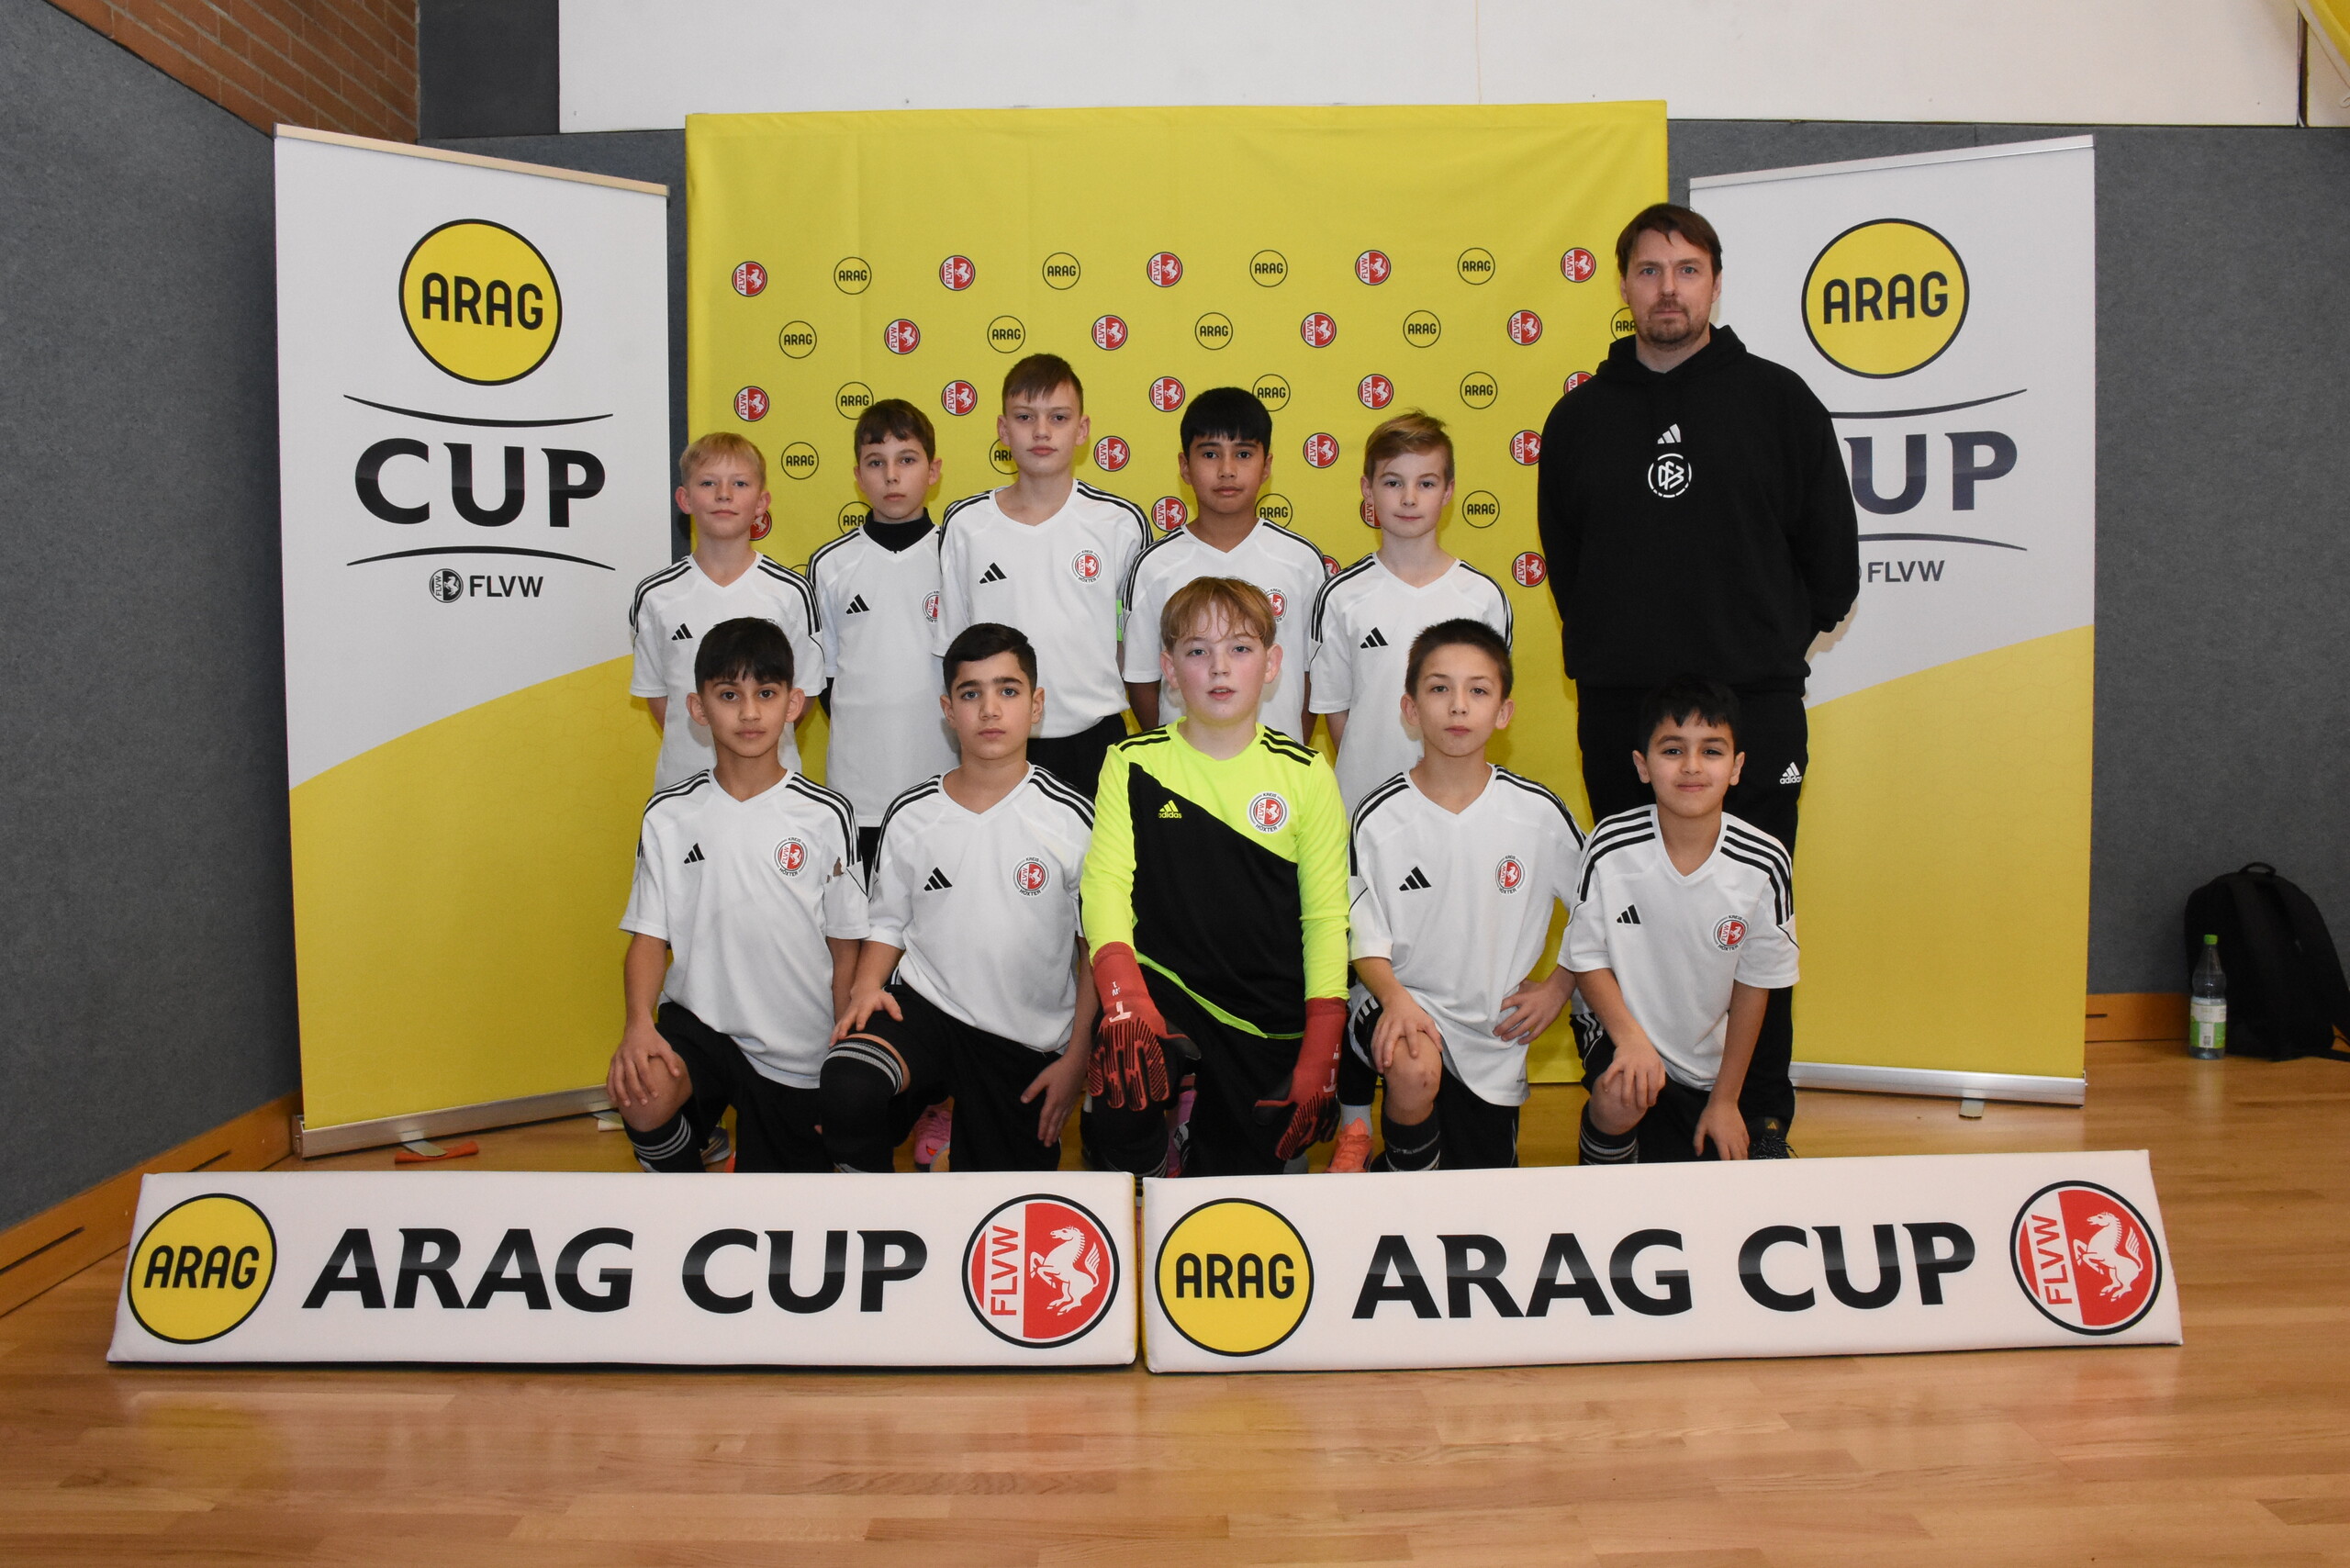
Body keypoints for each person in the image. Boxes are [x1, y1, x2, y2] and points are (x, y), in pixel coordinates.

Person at [1535, 202, 1857, 1154]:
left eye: (1686, 270)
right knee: (1628, 919)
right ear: (1623, 285)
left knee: (1753, 922)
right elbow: (1570, 568)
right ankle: (1628, 1108)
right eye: (1648, 270)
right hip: (1620, 715)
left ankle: (1755, 1116)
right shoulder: (1579, 419)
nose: (1667, 288)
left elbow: (1832, 569)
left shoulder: (1780, 401)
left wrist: (1754, 647)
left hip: (1752, 709)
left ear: (1715, 282)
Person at [1080, 577, 1348, 1178]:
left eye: (1240, 649)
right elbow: (1104, 887)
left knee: (1232, 1197)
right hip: (1164, 990)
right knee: (1122, 1074)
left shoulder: (1307, 773)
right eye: (1198, 650)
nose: (1219, 667)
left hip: (1263, 1010)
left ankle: (1198, 1125)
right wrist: (1124, 1001)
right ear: (1169, 670)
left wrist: (1321, 1047)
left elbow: (1326, 918)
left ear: (1272, 666)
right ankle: (1153, 1162)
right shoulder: (1132, 762)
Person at [819, 623, 1096, 1173]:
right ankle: (874, 1211)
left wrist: (1076, 1059)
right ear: (948, 709)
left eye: (1008, 690)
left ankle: (953, 1148)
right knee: (849, 1087)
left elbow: (1093, 948)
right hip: (927, 1012)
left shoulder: (1072, 818)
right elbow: (889, 922)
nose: (989, 709)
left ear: (1036, 705)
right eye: (971, 694)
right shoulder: (912, 814)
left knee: (996, 1201)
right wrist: (866, 987)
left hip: (1024, 1039)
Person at [607, 617, 867, 1172]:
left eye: (765, 694)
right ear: (697, 708)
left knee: (779, 1208)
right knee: (641, 1088)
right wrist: (637, 1024)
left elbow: (846, 949)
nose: (749, 713)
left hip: (796, 1050)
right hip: (699, 1024)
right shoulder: (669, 815)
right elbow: (648, 938)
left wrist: (841, 1054)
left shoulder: (826, 815)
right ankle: (684, 1198)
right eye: (729, 695)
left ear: (793, 704)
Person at [1327, 620, 1586, 1172]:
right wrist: (1395, 999)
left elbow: (1598, 907)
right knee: (1414, 1066)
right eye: (1439, 688)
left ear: (1504, 712)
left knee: (1480, 1186)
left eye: (1478, 690)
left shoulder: (1538, 813)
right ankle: (1397, 1176)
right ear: (1410, 709)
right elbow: (1361, 932)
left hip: (1493, 1032)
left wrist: (1559, 986)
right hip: (1399, 1001)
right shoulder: (1378, 816)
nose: (1458, 705)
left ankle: (1395, 1171)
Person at [1567, 676, 1798, 1165]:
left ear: (1736, 768)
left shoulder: (1765, 861)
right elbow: (1586, 959)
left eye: (1711, 751)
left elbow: (1756, 984)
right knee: (1622, 1095)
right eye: (1673, 750)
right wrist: (1631, 1041)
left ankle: (1708, 1114)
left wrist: (1726, 1100)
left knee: (1714, 1168)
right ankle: (1600, 1169)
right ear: (1642, 765)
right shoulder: (1610, 845)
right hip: (1620, 1033)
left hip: (1708, 1063)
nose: (1692, 766)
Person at [934, 353, 1150, 797]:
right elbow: (953, 648)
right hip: (996, 741)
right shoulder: (966, 525)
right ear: (1002, 429)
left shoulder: (1119, 523)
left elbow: (1140, 647)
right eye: (1024, 417)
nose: (1041, 431)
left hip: (1095, 738)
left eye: (1058, 417)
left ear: (1082, 429)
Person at [1310, 410, 1512, 812]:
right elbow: (1337, 712)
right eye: (1393, 482)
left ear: (1448, 491)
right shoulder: (1341, 596)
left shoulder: (1482, 597)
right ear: (1367, 490)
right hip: (1364, 805)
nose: (1409, 498)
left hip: (1458, 804)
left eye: (1426, 483)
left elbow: (1484, 705)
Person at [1121, 386, 1330, 743]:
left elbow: (1314, 675)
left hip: (1278, 764)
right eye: (1210, 454)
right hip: (1184, 766)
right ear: (1185, 467)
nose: (1227, 470)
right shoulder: (1155, 566)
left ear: (1266, 466)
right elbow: (1142, 680)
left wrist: (1290, 748)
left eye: (1244, 454)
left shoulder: (1301, 561)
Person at [808, 398, 957, 868]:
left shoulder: (957, 557)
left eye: (906, 460)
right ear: (858, 475)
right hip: (859, 793)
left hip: (946, 783)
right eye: (876, 463)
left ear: (933, 471)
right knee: (861, 912)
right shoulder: (830, 565)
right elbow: (825, 680)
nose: (891, 476)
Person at [631, 432, 823, 790]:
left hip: (774, 790)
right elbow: (660, 697)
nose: (724, 494)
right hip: (684, 788)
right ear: (685, 499)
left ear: (761, 502)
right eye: (708, 483)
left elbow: (804, 693)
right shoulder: (655, 595)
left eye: (740, 483)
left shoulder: (791, 592)